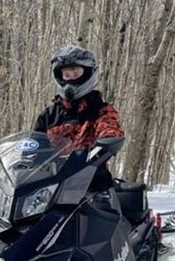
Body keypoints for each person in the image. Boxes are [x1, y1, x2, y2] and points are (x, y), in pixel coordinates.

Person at [32, 45, 123, 190]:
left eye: (76, 74)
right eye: (66, 75)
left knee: (100, 209)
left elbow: (110, 129)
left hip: (91, 182)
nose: (70, 79)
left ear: (87, 74)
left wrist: (105, 143)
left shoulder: (100, 110)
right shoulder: (49, 114)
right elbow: (34, 144)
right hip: (51, 185)